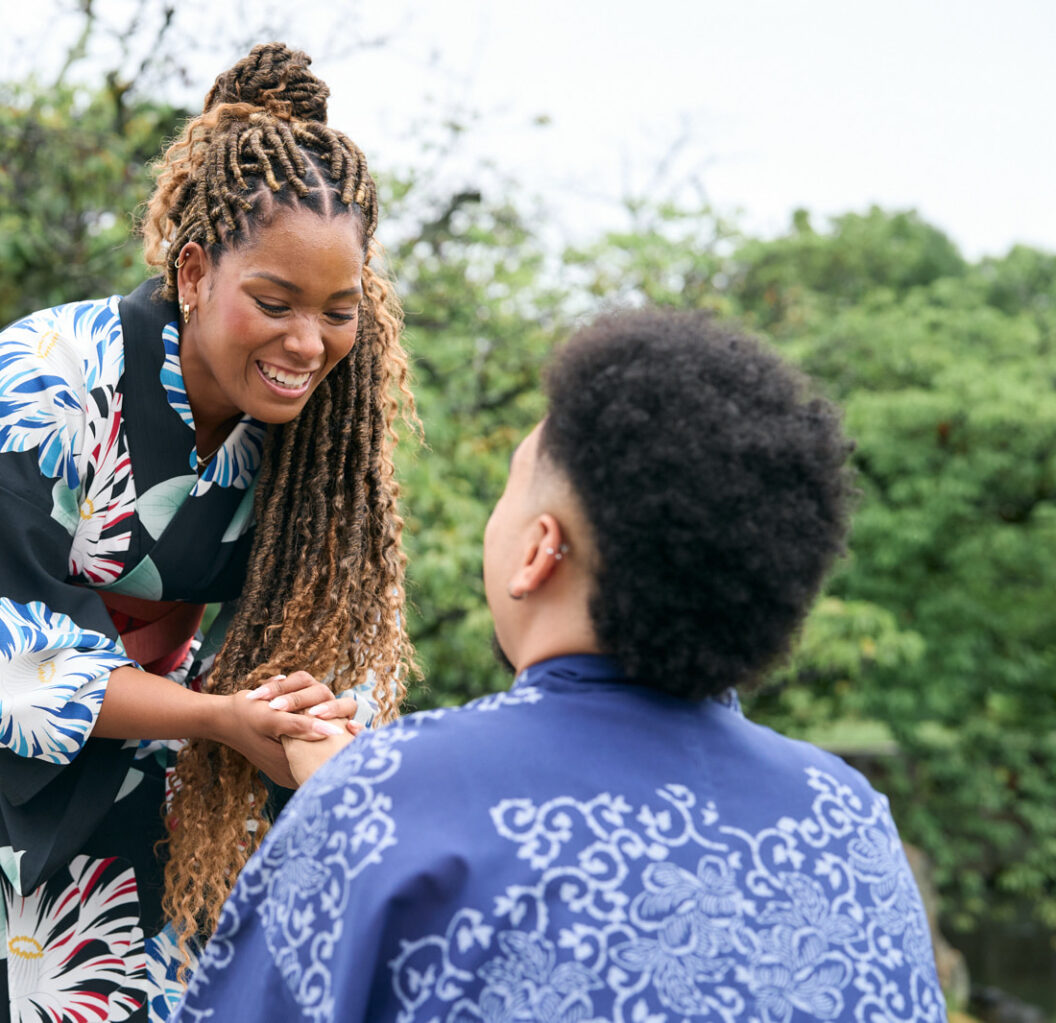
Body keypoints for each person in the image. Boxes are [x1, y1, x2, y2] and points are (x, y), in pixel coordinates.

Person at [0, 43, 415, 1023]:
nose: (308, 344)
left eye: (338, 311)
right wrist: (221, 719)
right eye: (273, 303)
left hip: (163, 702)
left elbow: (327, 636)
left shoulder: (323, 434)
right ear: (193, 272)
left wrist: (310, 737)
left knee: (127, 973)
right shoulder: (45, 380)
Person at [178, 309, 948, 1022]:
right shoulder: (847, 818)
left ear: (540, 550)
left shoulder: (384, 798)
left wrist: (360, 802)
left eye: (514, 482)